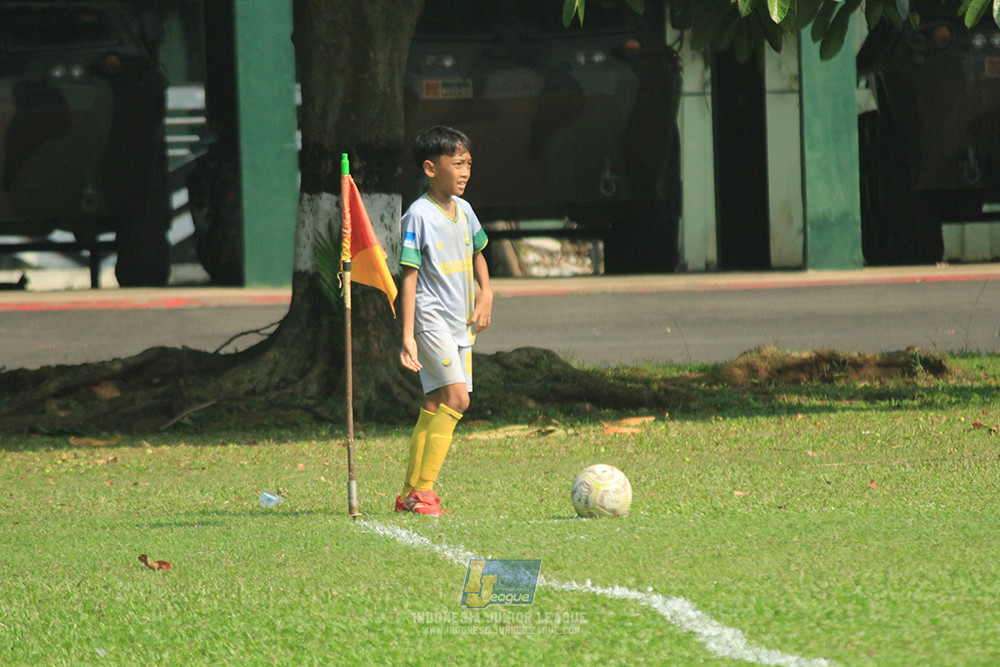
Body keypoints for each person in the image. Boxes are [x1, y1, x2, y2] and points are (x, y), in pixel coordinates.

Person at [396, 126, 493, 516]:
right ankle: (425, 492)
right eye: (457, 164)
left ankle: (407, 494)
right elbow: (408, 276)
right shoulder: (417, 216)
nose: (465, 171)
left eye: (469, 163)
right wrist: (408, 336)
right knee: (458, 399)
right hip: (431, 321)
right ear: (430, 168)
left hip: (460, 325)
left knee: (435, 402)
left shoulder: (465, 210)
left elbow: (479, 253)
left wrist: (486, 291)